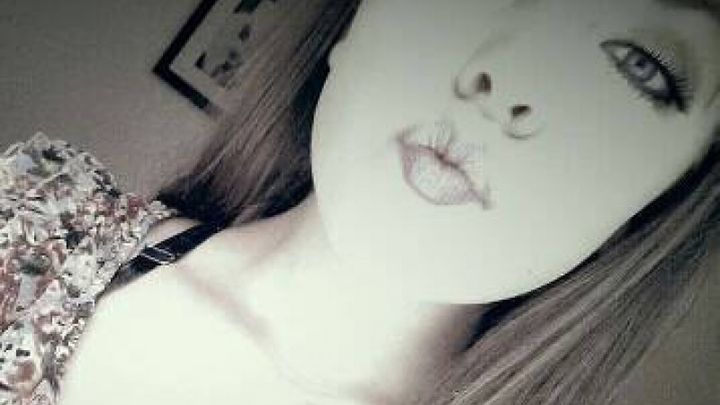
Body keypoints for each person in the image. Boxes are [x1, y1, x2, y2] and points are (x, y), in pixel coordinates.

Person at [1, 0, 718, 404]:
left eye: (639, 66)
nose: (510, 77)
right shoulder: (24, 222)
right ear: (352, 22)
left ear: (668, 194)